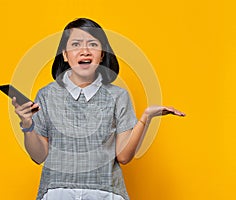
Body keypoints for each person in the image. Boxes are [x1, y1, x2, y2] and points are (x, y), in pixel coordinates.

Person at [12, 18, 185, 200]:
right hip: (57, 192)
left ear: (102, 54)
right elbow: (39, 156)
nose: (85, 51)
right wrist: (27, 124)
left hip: (105, 193)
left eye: (92, 44)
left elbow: (124, 156)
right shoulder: (47, 95)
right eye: (76, 44)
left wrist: (146, 117)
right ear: (64, 54)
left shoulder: (118, 96)